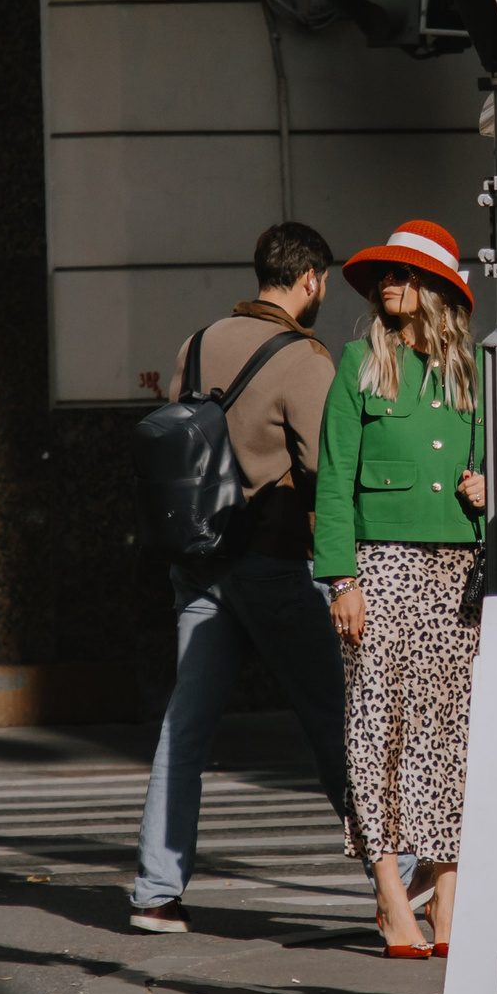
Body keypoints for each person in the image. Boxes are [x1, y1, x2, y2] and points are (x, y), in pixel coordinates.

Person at [130, 222, 351, 933]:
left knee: (186, 726)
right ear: (311, 278)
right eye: (324, 281)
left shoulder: (196, 344)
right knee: (335, 718)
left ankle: (156, 891)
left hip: (199, 559)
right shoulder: (304, 357)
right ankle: (401, 873)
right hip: (274, 560)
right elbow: (325, 467)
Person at [312, 220, 488, 959]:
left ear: (435, 289)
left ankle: (448, 899)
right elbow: (332, 479)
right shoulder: (360, 361)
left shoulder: (472, 370)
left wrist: (488, 489)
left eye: (404, 274)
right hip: (378, 567)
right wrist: (341, 579)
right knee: (376, 727)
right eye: (384, 274)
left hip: (457, 569)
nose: (389, 284)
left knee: (450, 733)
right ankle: (391, 895)